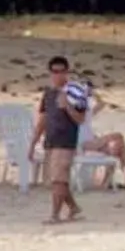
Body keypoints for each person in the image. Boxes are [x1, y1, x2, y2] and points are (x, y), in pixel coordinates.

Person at [29, 55, 90, 224]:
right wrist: (33, 143)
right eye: (55, 72)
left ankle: (55, 215)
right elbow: (42, 120)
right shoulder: (48, 94)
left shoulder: (75, 93)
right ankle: (74, 208)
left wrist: (68, 106)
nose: (58, 75)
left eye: (62, 72)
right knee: (54, 180)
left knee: (59, 179)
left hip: (66, 141)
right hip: (51, 140)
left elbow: (81, 119)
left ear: (67, 72)